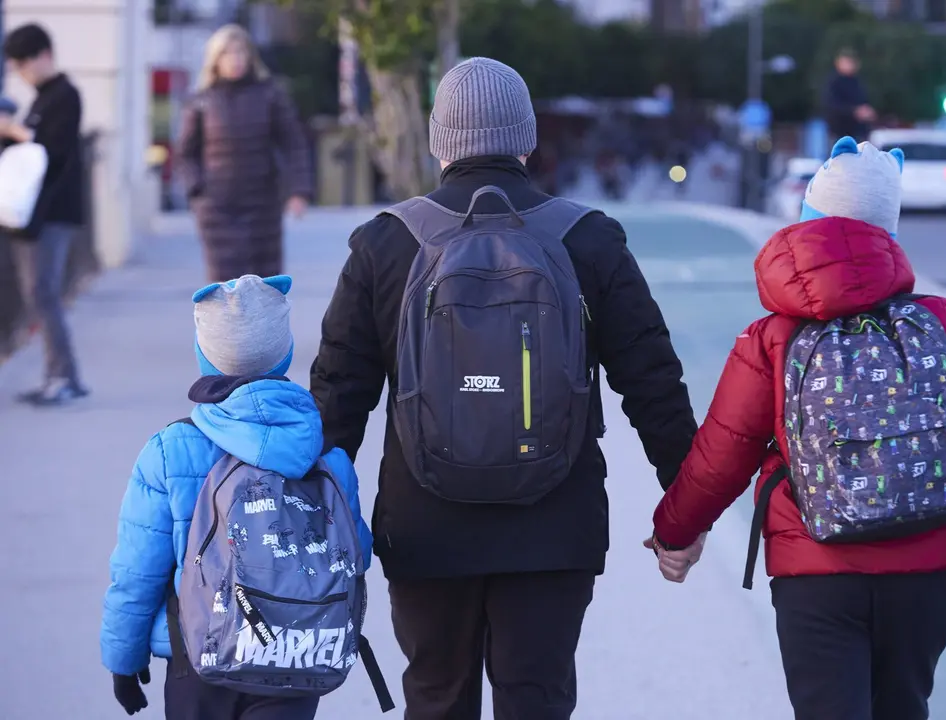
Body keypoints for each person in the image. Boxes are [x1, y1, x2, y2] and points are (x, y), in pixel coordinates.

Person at [310, 57, 697, 720]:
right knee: (537, 700)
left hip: (424, 527)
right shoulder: (588, 239)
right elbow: (653, 380)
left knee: (435, 699)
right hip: (553, 528)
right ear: (527, 137)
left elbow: (338, 395)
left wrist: (317, 518)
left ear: (439, 142)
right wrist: (685, 512)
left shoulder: (387, 244)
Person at [649, 138, 946, 720]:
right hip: (927, 574)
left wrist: (675, 533)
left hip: (815, 576)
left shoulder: (773, 337)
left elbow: (721, 452)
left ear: (807, 221)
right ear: (889, 232)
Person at [100, 275, 374, 719]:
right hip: (294, 651)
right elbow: (354, 553)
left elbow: (137, 571)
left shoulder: (172, 451)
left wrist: (123, 660)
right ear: (284, 353)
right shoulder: (325, 456)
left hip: (197, 651)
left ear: (203, 355)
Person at [177, 24, 312, 283]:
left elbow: (293, 142)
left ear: (251, 57)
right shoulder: (202, 100)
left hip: (263, 207)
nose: (235, 59)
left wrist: (299, 191)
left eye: (241, 52)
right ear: (216, 60)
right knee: (225, 292)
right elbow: (185, 153)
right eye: (227, 53)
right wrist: (198, 190)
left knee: (264, 287)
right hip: (217, 209)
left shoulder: (270, 95)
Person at [1, 23, 88, 406]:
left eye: (23, 63)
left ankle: (63, 376)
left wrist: (15, 132)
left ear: (43, 55)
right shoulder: (41, 98)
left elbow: (53, 151)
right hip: (32, 214)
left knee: (43, 292)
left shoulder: (65, 96)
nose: (21, 72)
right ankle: (58, 373)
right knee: (37, 293)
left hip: (53, 211)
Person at [824, 48, 875, 143]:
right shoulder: (834, 82)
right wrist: (854, 111)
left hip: (858, 132)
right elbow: (832, 105)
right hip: (839, 132)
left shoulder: (857, 82)